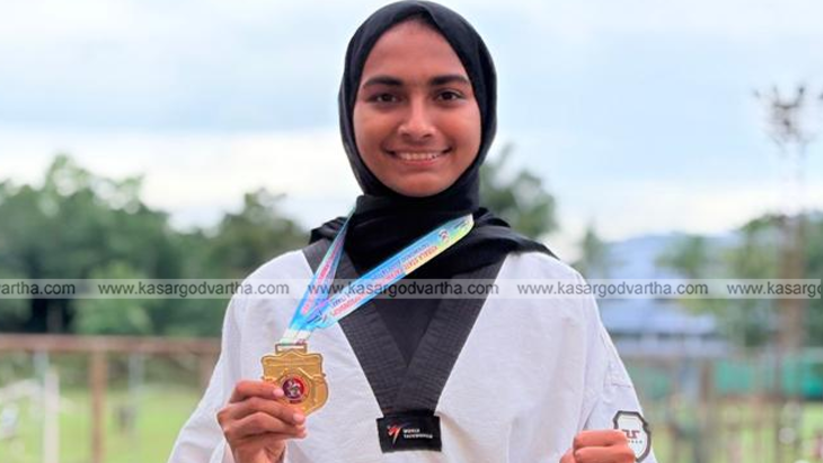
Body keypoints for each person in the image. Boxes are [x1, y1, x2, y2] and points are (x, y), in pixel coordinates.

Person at [168, 2, 657, 462]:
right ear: (348, 112)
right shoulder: (275, 297)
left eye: (447, 95)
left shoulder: (552, 297)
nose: (417, 124)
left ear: (483, 109)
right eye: (386, 96)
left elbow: (625, 445)